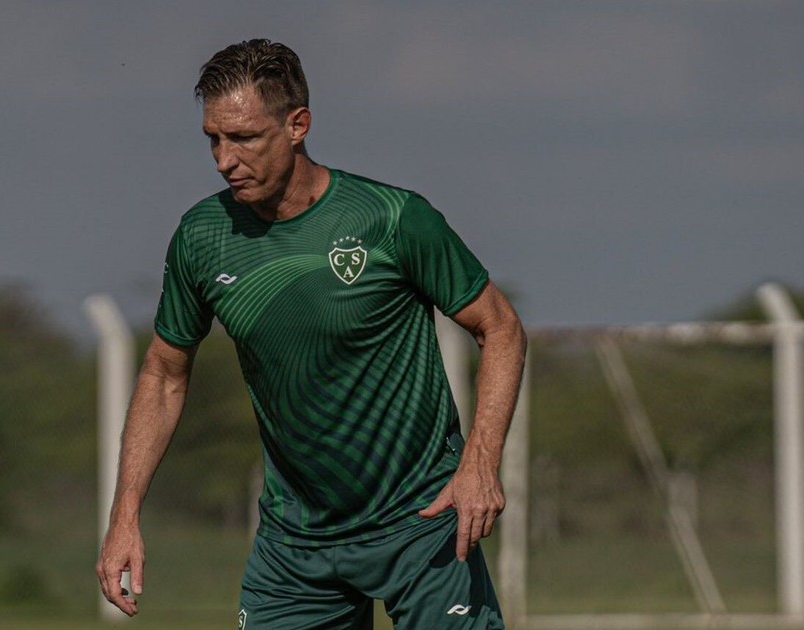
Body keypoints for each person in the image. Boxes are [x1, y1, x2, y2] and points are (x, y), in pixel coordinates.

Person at [97, 39, 526, 629]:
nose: (224, 159)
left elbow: (500, 327)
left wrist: (480, 461)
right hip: (296, 543)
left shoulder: (393, 219)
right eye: (213, 139)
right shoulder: (202, 237)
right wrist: (124, 514)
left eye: (244, 138)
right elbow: (165, 374)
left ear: (297, 125)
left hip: (423, 519)